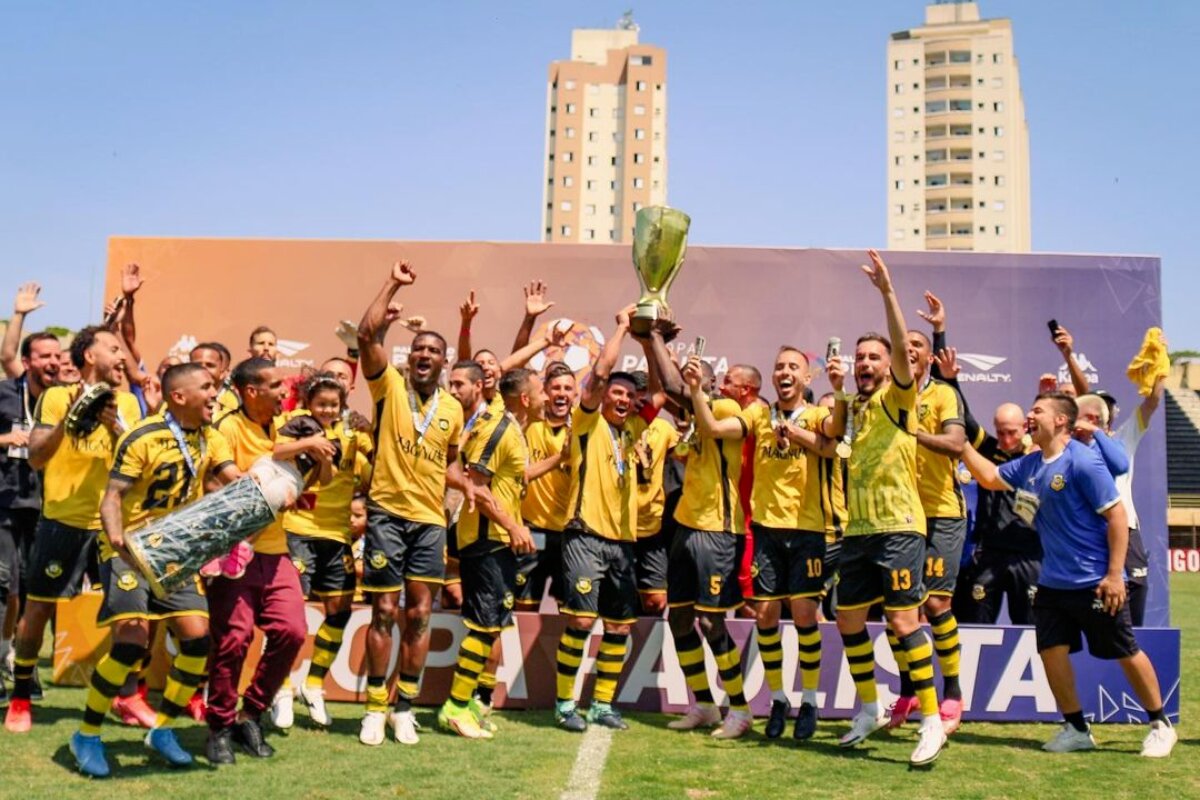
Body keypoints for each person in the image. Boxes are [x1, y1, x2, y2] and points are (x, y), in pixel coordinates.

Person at [960, 392, 1177, 758]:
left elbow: (1118, 517)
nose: (1031, 415)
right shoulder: (1030, 465)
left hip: (1094, 582)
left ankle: (1160, 724)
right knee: (1051, 652)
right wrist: (960, 444)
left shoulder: (1084, 462)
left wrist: (1113, 575)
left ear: (1061, 420)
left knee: (1125, 650)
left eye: (1038, 411)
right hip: (1052, 584)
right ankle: (1076, 727)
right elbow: (989, 477)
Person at [70, 363, 238, 776]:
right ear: (178, 397)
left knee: (198, 642)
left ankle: (162, 730)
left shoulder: (212, 437)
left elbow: (235, 481)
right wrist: (117, 540)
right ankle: (87, 734)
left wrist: (275, 485)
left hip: (177, 553)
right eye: (207, 388)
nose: (215, 395)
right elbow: (112, 497)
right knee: (131, 642)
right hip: (130, 550)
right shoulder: (142, 436)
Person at [834, 250, 946, 766]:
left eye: (873, 358)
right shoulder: (854, 407)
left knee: (904, 624)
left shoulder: (899, 398)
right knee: (849, 621)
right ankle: (870, 707)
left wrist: (886, 292)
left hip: (900, 527)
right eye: (861, 358)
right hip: (858, 531)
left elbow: (901, 346)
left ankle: (930, 720)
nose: (866, 364)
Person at [5, 326, 142, 733]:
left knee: (130, 613)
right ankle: (21, 697)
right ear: (88, 356)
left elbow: (138, 463)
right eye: (113, 349)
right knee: (38, 610)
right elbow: (36, 458)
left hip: (112, 526)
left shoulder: (131, 405)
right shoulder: (55, 397)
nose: (121, 357)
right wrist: (71, 417)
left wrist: (117, 425)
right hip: (62, 521)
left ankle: (128, 697)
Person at [355, 260, 468, 747]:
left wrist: (475, 493)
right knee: (384, 610)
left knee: (420, 614)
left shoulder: (453, 409)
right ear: (409, 357)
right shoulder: (389, 387)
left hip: (429, 522)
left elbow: (451, 463)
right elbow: (364, 335)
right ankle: (375, 707)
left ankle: (405, 707)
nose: (425, 355)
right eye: (419, 348)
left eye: (434, 352)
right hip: (385, 514)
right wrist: (392, 283)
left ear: (444, 363)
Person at [206, 357, 324, 764]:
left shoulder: (285, 427)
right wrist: (274, 490)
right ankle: (219, 726)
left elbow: (308, 482)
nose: (283, 391)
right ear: (252, 391)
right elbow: (225, 481)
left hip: (276, 552)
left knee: (292, 631)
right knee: (233, 641)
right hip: (233, 551)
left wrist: (314, 466)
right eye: (275, 386)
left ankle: (251, 713)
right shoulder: (226, 427)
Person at [741, 346, 847, 740]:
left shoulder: (819, 414)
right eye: (778, 366)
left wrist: (837, 392)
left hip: (809, 531)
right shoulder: (760, 415)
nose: (784, 372)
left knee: (804, 614)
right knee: (766, 614)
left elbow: (836, 438)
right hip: (767, 529)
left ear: (807, 378)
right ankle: (778, 699)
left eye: (793, 367)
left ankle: (810, 701)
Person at [553, 307, 642, 733]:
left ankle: (602, 704)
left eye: (630, 397)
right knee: (582, 621)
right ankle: (565, 704)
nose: (624, 400)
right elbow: (601, 372)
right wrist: (624, 327)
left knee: (621, 626)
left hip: (623, 544)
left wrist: (651, 336)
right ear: (602, 396)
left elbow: (662, 395)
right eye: (617, 394)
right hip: (585, 537)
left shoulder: (631, 435)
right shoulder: (586, 422)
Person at [437, 366, 538, 738]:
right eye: (540, 392)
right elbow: (476, 489)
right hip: (487, 538)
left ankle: (468, 705)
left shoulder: (512, 429)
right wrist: (512, 526)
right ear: (526, 398)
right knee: (483, 626)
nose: (544, 399)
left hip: (497, 539)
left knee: (490, 623)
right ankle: (456, 706)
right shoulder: (499, 429)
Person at [660, 352, 756, 740]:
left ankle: (741, 708)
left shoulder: (734, 409)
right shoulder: (701, 409)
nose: (724, 384)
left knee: (711, 620)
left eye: (729, 379)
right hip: (686, 523)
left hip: (717, 529)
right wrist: (657, 344)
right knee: (679, 618)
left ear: (741, 388)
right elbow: (668, 390)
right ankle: (703, 702)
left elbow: (709, 422)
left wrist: (694, 387)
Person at [274, 372, 373, 729]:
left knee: (339, 611)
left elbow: (372, 473)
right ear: (308, 403)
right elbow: (274, 451)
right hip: (298, 530)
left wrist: (371, 434)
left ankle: (313, 685)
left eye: (335, 404)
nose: (329, 409)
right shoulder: (292, 425)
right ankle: (282, 688)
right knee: (290, 616)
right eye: (322, 403)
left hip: (337, 535)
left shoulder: (354, 434)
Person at [887, 298, 968, 735]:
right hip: (897, 517)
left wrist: (912, 432)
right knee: (899, 611)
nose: (910, 347)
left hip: (941, 512)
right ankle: (909, 689)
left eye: (918, 343)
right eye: (905, 343)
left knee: (936, 603)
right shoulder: (886, 397)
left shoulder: (944, 394)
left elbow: (957, 445)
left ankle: (952, 692)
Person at [0, 329, 60, 706]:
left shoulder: (62, 400)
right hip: (4, 503)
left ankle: (24, 666)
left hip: (48, 507)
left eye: (57, 356)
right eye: (45, 356)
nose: (53, 362)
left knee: (36, 592)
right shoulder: (5, 392)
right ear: (28, 362)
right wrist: (5, 439)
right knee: (3, 585)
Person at [959, 403, 1041, 625]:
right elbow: (967, 419)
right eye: (1001, 432)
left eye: (1012, 433)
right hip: (990, 554)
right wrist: (949, 379)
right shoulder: (990, 451)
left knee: (1031, 629)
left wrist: (1045, 396)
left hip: (1028, 555)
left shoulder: (1039, 455)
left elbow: (1057, 419)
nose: (1006, 439)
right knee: (976, 625)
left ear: (1025, 427)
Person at [517, 361, 576, 611]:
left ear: (576, 395)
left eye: (567, 388)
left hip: (569, 535)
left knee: (570, 613)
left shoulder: (583, 431)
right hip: (532, 532)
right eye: (556, 388)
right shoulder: (528, 426)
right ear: (545, 394)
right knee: (522, 608)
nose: (561, 393)